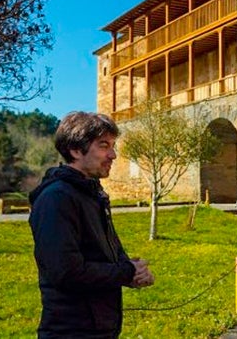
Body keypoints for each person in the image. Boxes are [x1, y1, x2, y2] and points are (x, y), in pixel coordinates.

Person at [28, 111, 154, 338]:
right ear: (75, 150)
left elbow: (101, 254)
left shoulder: (92, 193)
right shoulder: (56, 198)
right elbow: (65, 271)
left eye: (113, 145)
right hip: (71, 330)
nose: (113, 155)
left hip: (100, 326)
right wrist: (126, 272)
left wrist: (132, 272)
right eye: (104, 145)